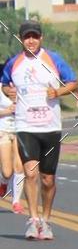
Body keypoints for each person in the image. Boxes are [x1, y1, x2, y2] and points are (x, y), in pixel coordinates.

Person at [1, 20, 78, 239]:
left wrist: (59, 93)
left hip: (50, 127)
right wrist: (9, 92)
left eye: (35, 36)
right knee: (30, 173)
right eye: (27, 37)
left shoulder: (53, 59)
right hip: (25, 126)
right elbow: (5, 84)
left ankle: (46, 220)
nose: (31, 40)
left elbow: (73, 82)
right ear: (21, 39)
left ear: (41, 38)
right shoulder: (13, 63)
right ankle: (33, 220)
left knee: (48, 179)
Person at [0, 84, 25, 212]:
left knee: (19, 166)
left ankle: (16, 201)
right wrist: (7, 111)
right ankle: (3, 182)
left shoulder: (23, 86)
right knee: (7, 172)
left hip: (20, 131)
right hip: (3, 131)